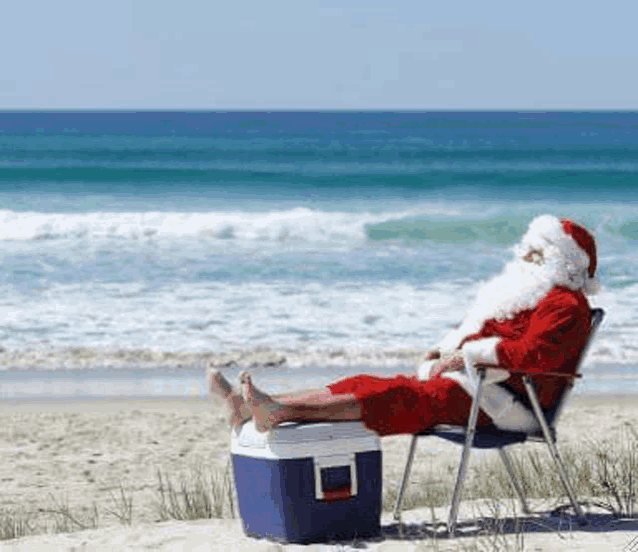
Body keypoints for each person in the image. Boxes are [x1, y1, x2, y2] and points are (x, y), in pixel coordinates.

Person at [210, 214, 599, 435]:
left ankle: (279, 410)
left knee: (398, 396)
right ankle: (250, 408)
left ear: (560, 260)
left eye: (535, 251)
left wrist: (467, 356)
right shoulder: (532, 298)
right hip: (481, 385)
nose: (524, 257)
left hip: (510, 402)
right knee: (362, 383)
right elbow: (491, 338)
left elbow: (532, 355)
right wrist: (450, 353)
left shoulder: (565, 305)